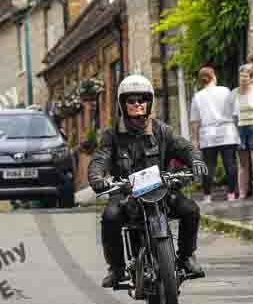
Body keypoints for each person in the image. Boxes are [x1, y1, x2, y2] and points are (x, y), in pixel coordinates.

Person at [88, 74, 208, 289]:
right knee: (110, 217)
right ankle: (116, 269)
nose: (137, 104)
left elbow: (185, 148)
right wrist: (97, 177)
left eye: (142, 99)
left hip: (159, 188)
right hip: (126, 192)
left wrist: (196, 161)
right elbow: (100, 159)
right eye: (131, 100)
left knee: (190, 209)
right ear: (122, 104)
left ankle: (187, 258)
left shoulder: (162, 130)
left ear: (149, 102)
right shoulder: (112, 135)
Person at [190, 66, 239, 202]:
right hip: (227, 132)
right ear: (214, 77)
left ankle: (207, 196)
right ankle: (231, 195)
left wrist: (194, 140)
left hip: (208, 134)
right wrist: (237, 129)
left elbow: (195, 121)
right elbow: (234, 112)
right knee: (230, 164)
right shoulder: (225, 91)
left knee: (209, 166)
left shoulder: (197, 97)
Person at [231, 64, 253, 200]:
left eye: (245, 76)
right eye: (241, 76)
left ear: (251, 78)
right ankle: (243, 193)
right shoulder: (234, 93)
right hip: (240, 128)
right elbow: (231, 114)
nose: (242, 79)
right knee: (242, 163)